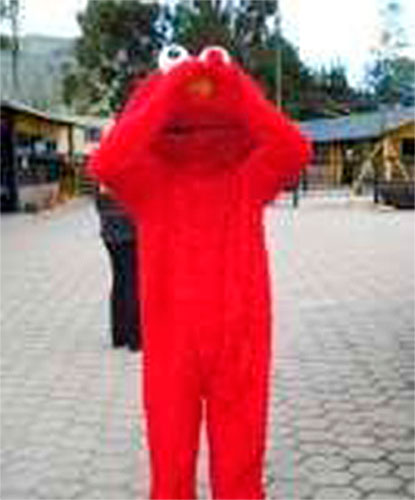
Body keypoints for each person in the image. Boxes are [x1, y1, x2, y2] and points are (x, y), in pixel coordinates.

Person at [89, 45, 310, 499]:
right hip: (173, 342)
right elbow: (105, 162)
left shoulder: (246, 177)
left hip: (238, 339)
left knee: (238, 467)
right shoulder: (152, 182)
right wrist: (171, 88)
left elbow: (295, 149)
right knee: (171, 468)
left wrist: (233, 87)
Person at [95, 183, 141, 352]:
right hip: (128, 231)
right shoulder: (123, 176)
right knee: (131, 281)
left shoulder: (101, 176)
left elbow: (98, 203)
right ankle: (135, 338)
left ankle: (119, 335)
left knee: (119, 280)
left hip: (109, 231)